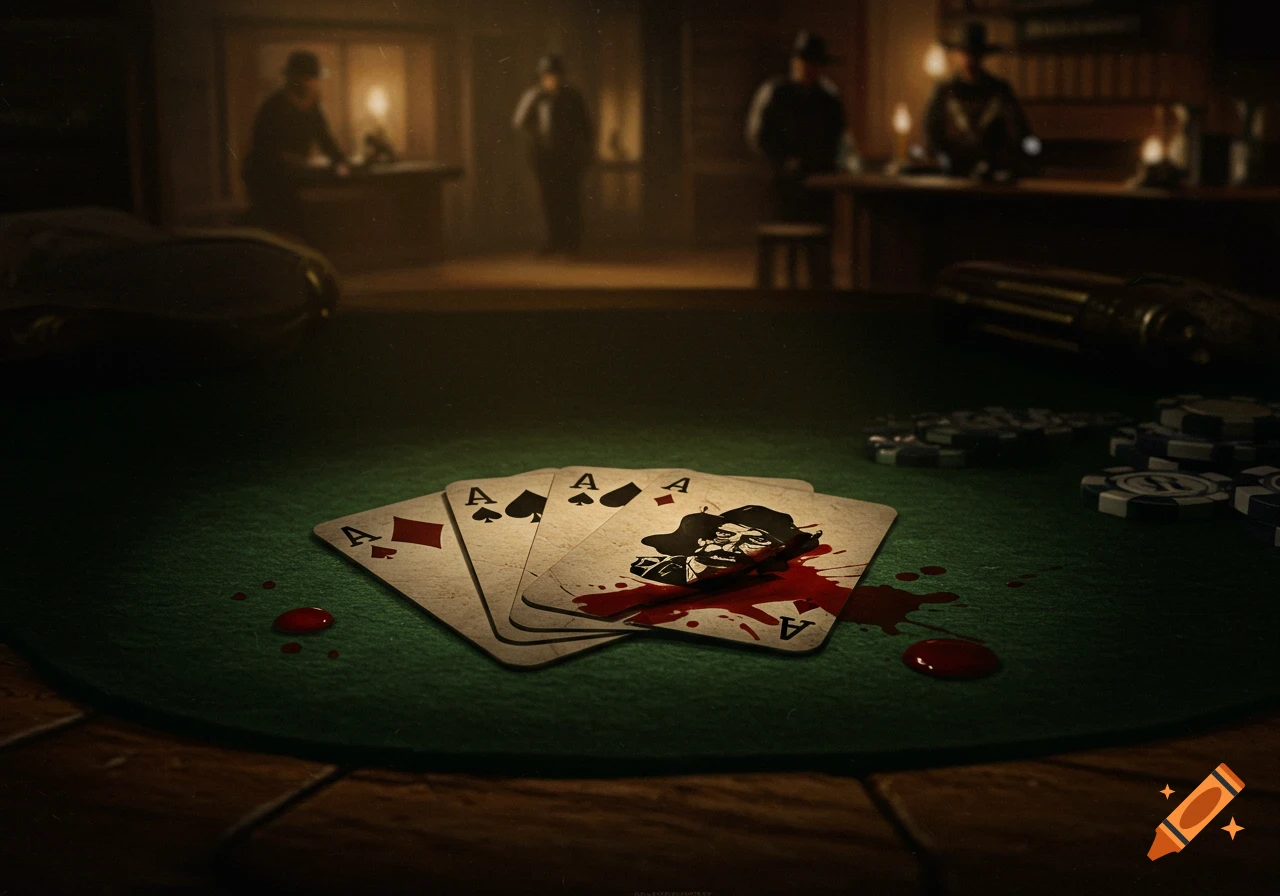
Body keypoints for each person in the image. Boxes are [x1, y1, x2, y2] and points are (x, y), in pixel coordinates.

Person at [746, 30, 856, 224]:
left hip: (819, 185)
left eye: (814, 63)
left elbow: (838, 138)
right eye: (804, 61)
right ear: (794, 62)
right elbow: (759, 136)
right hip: (781, 183)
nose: (808, 68)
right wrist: (783, 162)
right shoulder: (775, 93)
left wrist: (831, 164)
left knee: (818, 228)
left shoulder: (828, 99)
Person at [242, 51, 349, 239]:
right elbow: (263, 148)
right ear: (293, 78)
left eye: (313, 79)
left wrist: (340, 161)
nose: (311, 84)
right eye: (307, 78)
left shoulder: (312, 106)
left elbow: (325, 139)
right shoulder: (273, 107)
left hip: (296, 176)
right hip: (268, 177)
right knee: (281, 224)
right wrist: (286, 158)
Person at [924, 22, 1037, 179]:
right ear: (958, 55)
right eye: (965, 53)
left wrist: (1031, 155)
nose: (970, 59)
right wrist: (941, 157)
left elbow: (1021, 129)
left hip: (993, 167)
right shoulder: (945, 90)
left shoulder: (999, 89)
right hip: (955, 166)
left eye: (975, 54)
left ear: (982, 56)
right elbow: (931, 128)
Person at [512, 55, 594, 255]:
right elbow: (519, 122)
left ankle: (572, 242)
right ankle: (553, 240)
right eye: (548, 76)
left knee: (570, 199)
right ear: (541, 77)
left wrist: (584, 153)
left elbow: (585, 128)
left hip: (569, 158)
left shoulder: (573, 97)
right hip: (545, 159)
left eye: (555, 76)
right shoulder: (534, 96)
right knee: (549, 200)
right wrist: (537, 139)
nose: (552, 80)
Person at [630, 505, 820, 587]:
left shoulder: (768, 581)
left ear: (775, 550)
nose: (707, 544)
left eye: (754, 541)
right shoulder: (655, 567)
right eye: (721, 535)